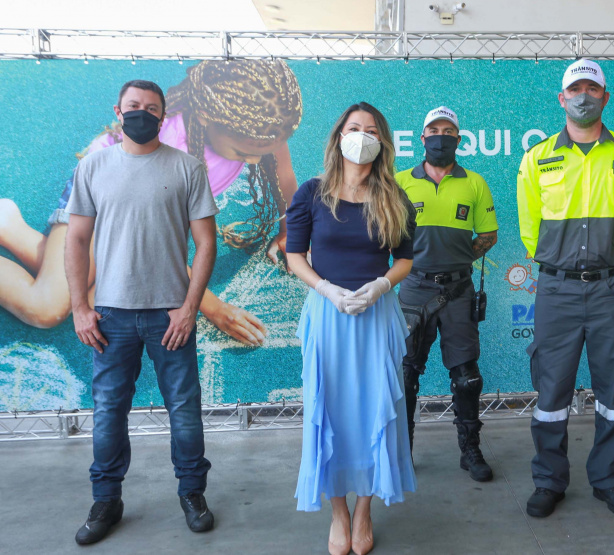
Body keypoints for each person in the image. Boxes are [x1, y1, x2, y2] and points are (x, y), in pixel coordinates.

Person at [0, 59, 302, 347]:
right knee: (47, 309)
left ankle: (8, 226)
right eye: (242, 152)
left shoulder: (261, 127)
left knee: (100, 301)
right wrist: (215, 309)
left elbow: (283, 175)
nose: (254, 160)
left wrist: (291, 228)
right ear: (209, 118)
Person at [65, 80, 219, 545]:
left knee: (185, 412)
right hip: (110, 317)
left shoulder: (188, 167)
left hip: (171, 317)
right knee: (109, 411)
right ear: (118, 110)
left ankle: (193, 493)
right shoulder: (93, 167)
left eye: (151, 108)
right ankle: (106, 499)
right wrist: (79, 308)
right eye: (134, 106)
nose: (142, 113)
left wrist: (190, 309)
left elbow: (207, 242)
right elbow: (75, 240)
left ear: (163, 115)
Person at [516, 59, 614, 518]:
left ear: (605, 98)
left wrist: (602, 260)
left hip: (613, 287)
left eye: (593, 88)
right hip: (557, 289)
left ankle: (609, 479)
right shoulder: (537, 158)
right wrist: (563, 265)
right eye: (575, 88)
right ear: (562, 98)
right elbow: (530, 230)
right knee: (552, 391)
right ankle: (549, 480)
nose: (584, 95)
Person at [286, 102, 417, 555]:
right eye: (354, 127)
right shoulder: (311, 193)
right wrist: (327, 290)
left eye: (372, 130)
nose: (362, 136)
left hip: (376, 317)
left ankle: (364, 511)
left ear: (383, 143)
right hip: (328, 316)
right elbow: (294, 256)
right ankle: (338, 513)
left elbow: (405, 258)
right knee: (331, 413)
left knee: (373, 411)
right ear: (339, 135)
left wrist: (380, 285)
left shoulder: (393, 197)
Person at [396, 106, 499, 481]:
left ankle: (470, 451)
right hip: (412, 287)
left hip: (458, 290)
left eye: (448, 130)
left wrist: (457, 261)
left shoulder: (474, 183)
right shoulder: (399, 181)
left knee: (467, 376)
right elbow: (383, 231)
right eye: (434, 130)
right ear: (423, 139)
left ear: (459, 138)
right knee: (405, 376)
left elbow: (488, 235)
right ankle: (400, 453)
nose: (441, 136)